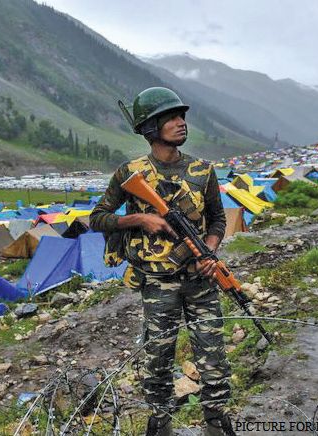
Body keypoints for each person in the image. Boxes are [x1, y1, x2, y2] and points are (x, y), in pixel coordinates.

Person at [90, 87, 236, 436]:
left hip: (200, 280)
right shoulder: (130, 172)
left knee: (213, 354)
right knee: (158, 355)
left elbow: (217, 219)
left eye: (181, 116)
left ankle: (216, 420)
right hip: (157, 283)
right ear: (151, 127)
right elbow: (98, 217)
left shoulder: (203, 171)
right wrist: (140, 220)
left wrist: (209, 251)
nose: (180, 123)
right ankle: (160, 421)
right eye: (171, 117)